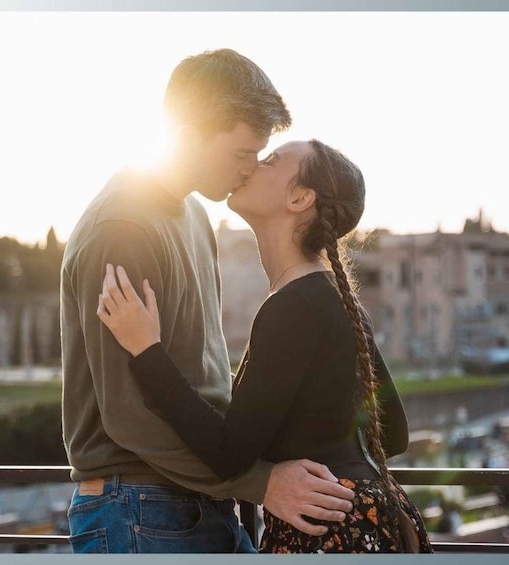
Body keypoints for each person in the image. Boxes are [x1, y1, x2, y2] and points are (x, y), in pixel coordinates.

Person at [61, 49, 355, 554]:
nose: (248, 171)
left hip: (200, 498)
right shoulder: (123, 229)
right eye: (242, 154)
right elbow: (128, 416)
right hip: (138, 505)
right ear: (189, 131)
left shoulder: (195, 216)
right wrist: (262, 484)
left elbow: (205, 377)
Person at [96, 138, 433, 553]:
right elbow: (393, 432)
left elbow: (227, 453)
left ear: (299, 197)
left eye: (271, 160)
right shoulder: (334, 298)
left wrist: (146, 349)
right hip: (372, 519)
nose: (252, 164)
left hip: (326, 530)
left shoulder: (293, 306)